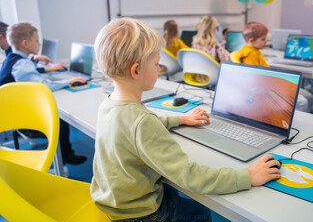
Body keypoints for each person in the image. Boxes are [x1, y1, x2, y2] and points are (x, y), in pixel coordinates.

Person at [90, 17, 281, 221]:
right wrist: (247, 177)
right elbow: (188, 176)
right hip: (140, 213)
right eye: (156, 64)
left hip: (114, 201)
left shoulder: (109, 104)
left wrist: (179, 120)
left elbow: (133, 128)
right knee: (200, 212)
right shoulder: (142, 122)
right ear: (136, 70)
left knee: (170, 191)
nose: (159, 69)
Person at [0, 22, 87, 165]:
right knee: (60, 121)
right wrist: (69, 81)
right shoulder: (22, 64)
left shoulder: (12, 59)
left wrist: (35, 61)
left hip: (9, 114)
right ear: (25, 44)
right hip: (20, 121)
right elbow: (43, 86)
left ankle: (65, 153)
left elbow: (24, 74)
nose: (39, 44)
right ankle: (65, 156)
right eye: (36, 40)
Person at [0, 21, 66, 72]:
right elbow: (23, 70)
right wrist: (68, 82)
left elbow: (24, 71)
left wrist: (34, 60)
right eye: (36, 40)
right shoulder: (14, 57)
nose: (40, 44)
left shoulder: (10, 55)